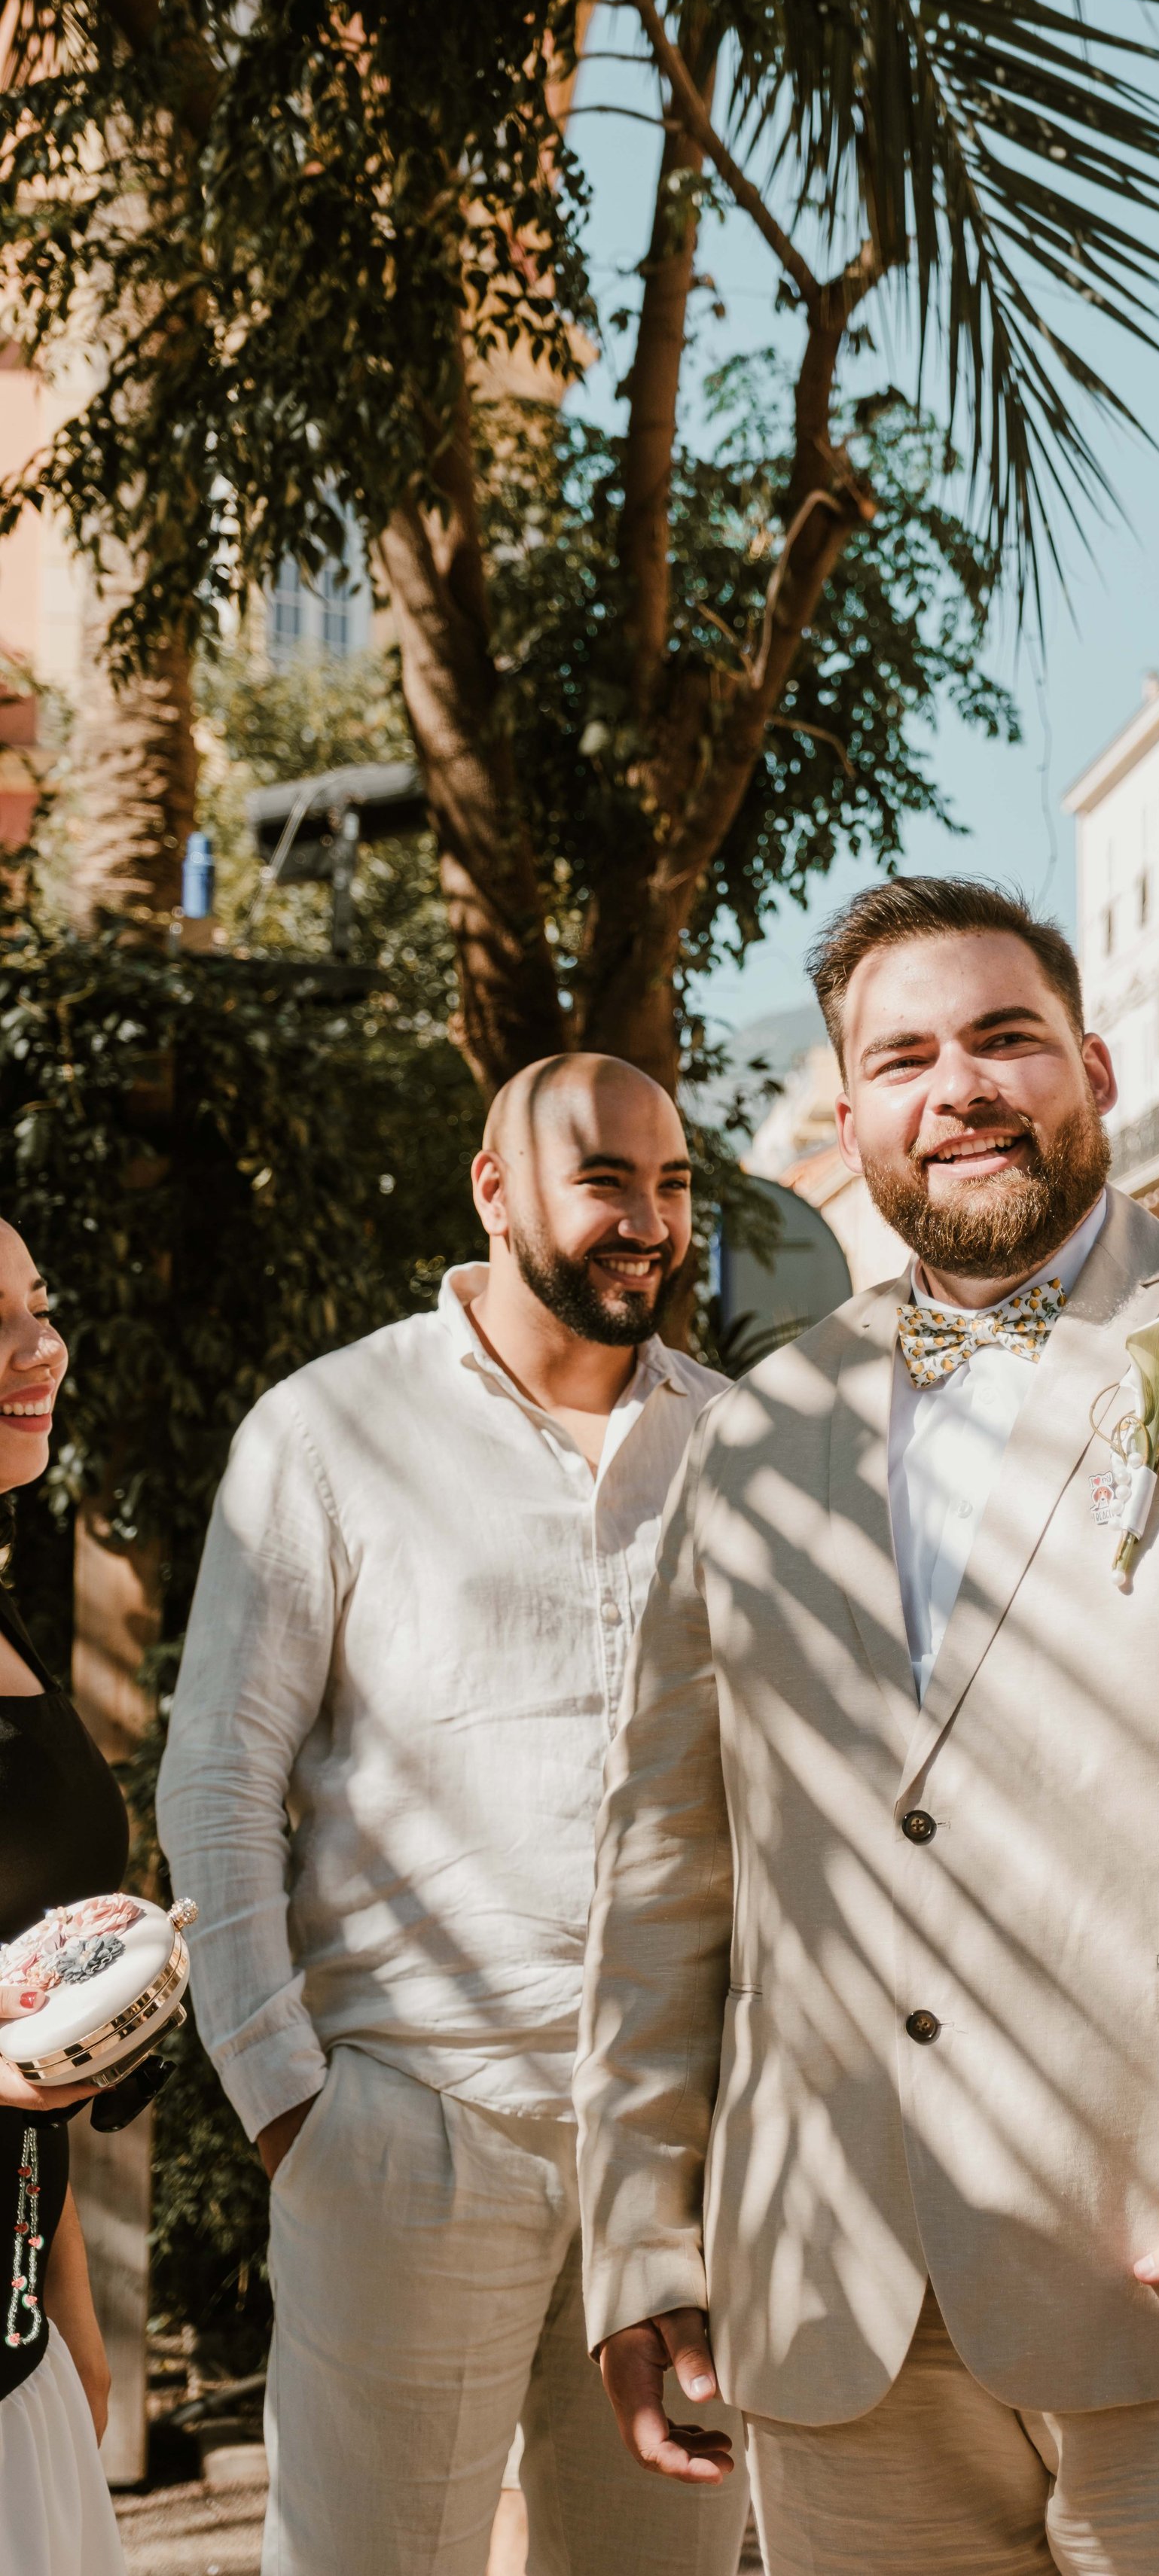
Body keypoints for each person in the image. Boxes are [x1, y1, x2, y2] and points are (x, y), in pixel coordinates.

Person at [575, 878, 1159, 2576]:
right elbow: (670, 1861)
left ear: (1088, 1067)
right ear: (851, 1115)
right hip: (839, 2307)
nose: (958, 1087)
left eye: (1003, 1038)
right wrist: (641, 2230)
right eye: (902, 1059)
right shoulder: (753, 1436)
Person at [157, 1056, 750, 2576]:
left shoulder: (750, 1450)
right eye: (604, 1179)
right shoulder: (330, 1431)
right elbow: (219, 1772)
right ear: (492, 1189)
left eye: (672, 1185)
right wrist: (288, 2103)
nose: (647, 1221)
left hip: (688, 2148)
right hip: (410, 2132)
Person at [0, 1218, 129, 2576]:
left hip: (18, 2349)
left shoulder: (5, 1607)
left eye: (38, 1301)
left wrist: (71, 2314)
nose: (43, 1346)